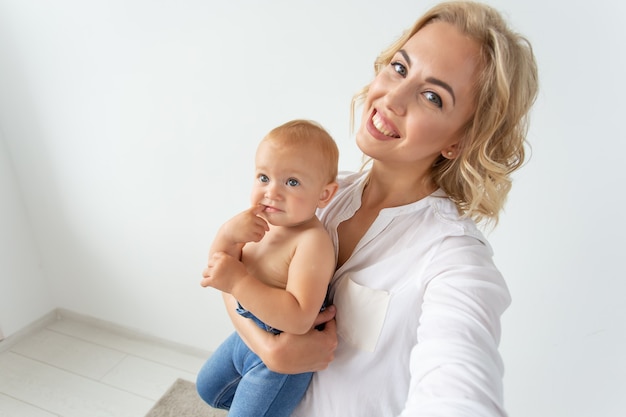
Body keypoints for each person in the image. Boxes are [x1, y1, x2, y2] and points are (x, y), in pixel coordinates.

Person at [198, 1, 539, 416]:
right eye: (399, 68)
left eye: (432, 96)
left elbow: (460, 387)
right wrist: (268, 348)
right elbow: (232, 270)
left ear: (461, 140)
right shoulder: (319, 192)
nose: (392, 97)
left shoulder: (454, 261)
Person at [196, 119, 339, 417]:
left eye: (292, 182)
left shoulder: (311, 242)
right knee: (207, 388)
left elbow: (299, 318)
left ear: (324, 195)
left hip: (282, 360)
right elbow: (215, 269)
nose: (271, 192)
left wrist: (238, 283)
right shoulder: (257, 222)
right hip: (246, 334)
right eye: (263, 177)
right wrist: (227, 234)